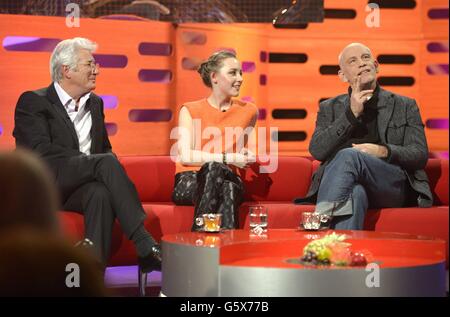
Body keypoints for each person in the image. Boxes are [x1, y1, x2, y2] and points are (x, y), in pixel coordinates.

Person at [12, 38, 161, 288]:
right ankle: (143, 240)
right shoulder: (34, 101)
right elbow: (38, 151)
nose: (97, 70)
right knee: (103, 164)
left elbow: (104, 149)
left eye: (96, 64)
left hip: (80, 187)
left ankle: (90, 281)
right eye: (89, 64)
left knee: (99, 193)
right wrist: (89, 163)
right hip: (46, 184)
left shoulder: (95, 104)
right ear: (66, 70)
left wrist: (95, 164)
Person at [294, 42, 433, 230]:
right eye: (353, 61)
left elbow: (419, 155)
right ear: (342, 75)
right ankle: (339, 255)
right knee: (356, 194)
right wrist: (351, 114)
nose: (362, 63)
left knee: (349, 155)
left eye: (366, 58)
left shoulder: (405, 105)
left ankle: (319, 221)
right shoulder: (330, 107)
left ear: (376, 66)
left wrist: (382, 151)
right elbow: (317, 150)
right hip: (344, 185)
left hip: (389, 184)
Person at [172, 50, 258, 231]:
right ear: (214, 77)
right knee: (223, 181)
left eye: (240, 72)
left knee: (225, 180)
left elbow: (239, 148)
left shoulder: (249, 111)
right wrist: (228, 158)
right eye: (233, 72)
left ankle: (198, 239)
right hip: (190, 180)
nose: (240, 78)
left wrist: (244, 154)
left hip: (229, 176)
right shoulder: (190, 109)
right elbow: (186, 156)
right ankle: (228, 253)